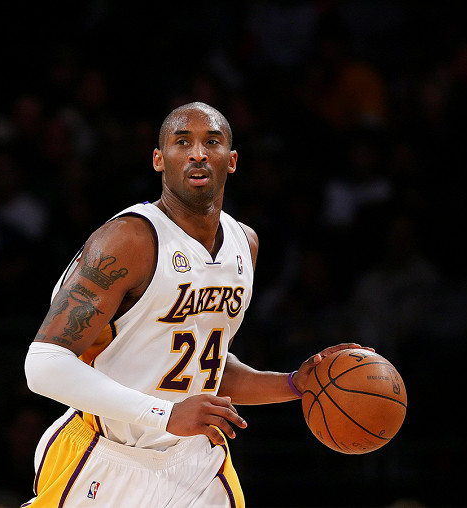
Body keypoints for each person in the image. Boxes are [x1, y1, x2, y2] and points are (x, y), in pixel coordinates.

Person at [23, 102, 371, 506]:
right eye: (183, 142)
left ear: (232, 160)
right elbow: (43, 365)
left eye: (212, 142)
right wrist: (167, 414)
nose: (198, 153)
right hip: (105, 454)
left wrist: (295, 384)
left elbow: (206, 368)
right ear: (159, 159)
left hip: (197, 461)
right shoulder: (129, 240)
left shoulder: (245, 244)